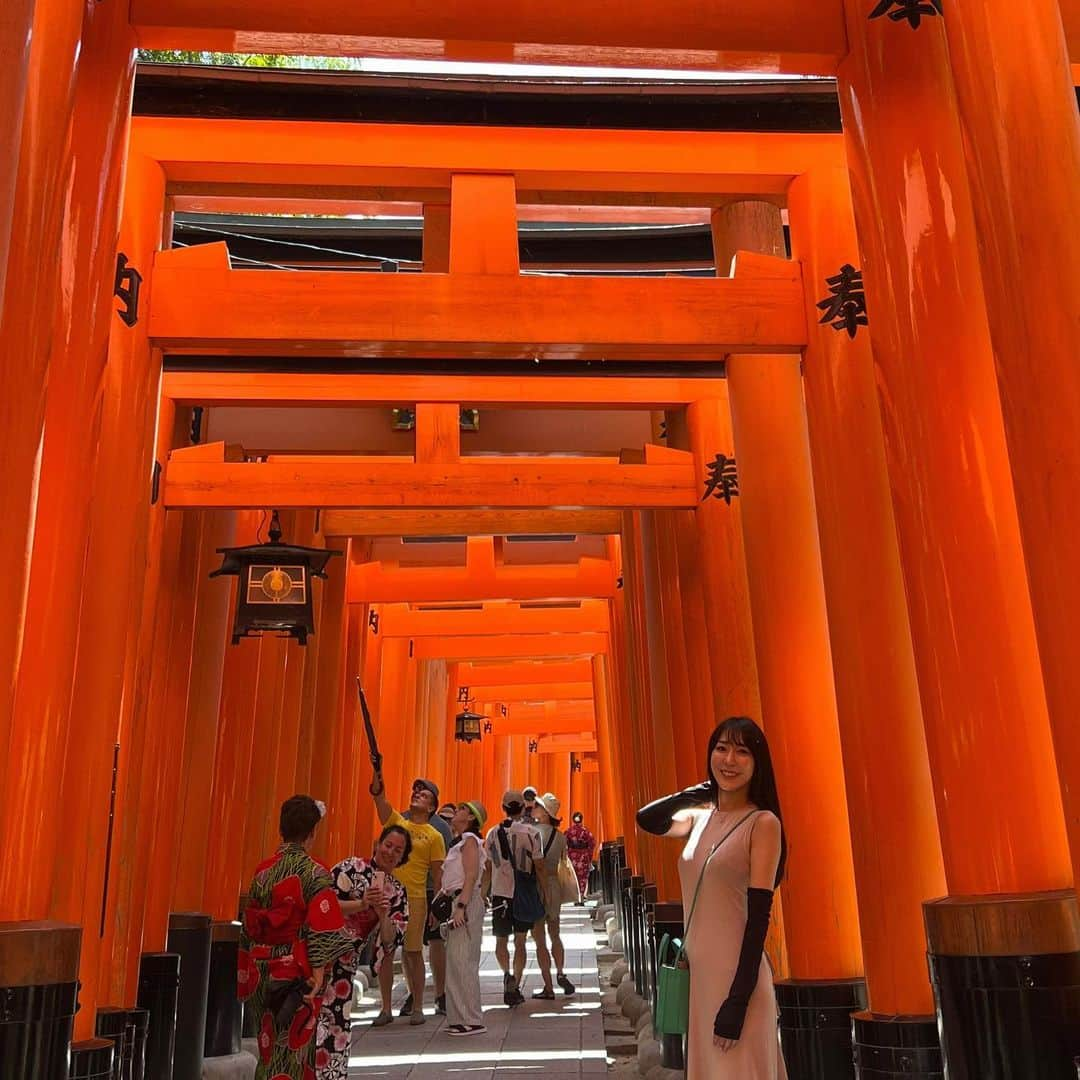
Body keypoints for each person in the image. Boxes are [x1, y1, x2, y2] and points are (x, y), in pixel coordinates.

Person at [636, 717, 787, 1080]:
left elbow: (758, 918)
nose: (729, 760)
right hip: (699, 979)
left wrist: (738, 1000)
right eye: (721, 748)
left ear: (758, 763)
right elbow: (648, 818)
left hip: (738, 980)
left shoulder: (763, 824)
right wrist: (700, 791)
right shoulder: (699, 819)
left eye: (742, 752)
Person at [238, 795, 352, 1080]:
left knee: (268, 1044)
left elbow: (250, 925)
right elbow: (322, 929)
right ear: (313, 832)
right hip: (295, 971)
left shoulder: (262, 872)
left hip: (261, 968)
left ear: (281, 828)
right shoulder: (315, 873)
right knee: (295, 1048)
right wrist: (317, 973)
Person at [316, 825, 411, 1077]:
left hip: (347, 964)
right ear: (378, 844)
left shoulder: (397, 892)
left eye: (398, 850)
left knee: (336, 1026)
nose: (390, 852)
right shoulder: (350, 868)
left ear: (403, 858)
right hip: (318, 954)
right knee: (308, 1021)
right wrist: (362, 903)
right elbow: (323, 905)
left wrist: (383, 916)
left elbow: (391, 942)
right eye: (388, 845)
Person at [370, 774, 447, 1025]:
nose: (417, 795)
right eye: (416, 792)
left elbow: (438, 875)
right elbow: (381, 804)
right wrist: (378, 785)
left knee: (413, 953)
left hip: (415, 899)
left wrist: (437, 906)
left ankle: (417, 1007)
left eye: (424, 795)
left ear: (432, 807)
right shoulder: (397, 823)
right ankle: (386, 1008)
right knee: (386, 951)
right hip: (388, 896)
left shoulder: (434, 836)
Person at [481, 789, 552, 1006]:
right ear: (523, 808)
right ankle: (517, 982)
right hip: (524, 892)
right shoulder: (531, 833)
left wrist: (484, 892)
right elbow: (539, 866)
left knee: (500, 939)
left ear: (503, 808)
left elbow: (488, 865)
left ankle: (506, 972)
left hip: (501, 892)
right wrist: (545, 892)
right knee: (520, 940)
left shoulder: (493, 833)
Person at [433, 800, 489, 1036]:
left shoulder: (470, 842)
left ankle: (471, 1019)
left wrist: (461, 906)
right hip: (456, 900)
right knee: (456, 961)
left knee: (463, 960)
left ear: (471, 818)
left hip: (463, 902)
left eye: (463, 810)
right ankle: (460, 1017)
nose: (457, 812)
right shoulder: (460, 842)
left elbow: (471, 875)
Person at [531, 793, 576, 997]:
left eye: (538, 806)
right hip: (554, 884)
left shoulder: (532, 832)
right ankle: (560, 971)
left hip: (537, 885)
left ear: (546, 813)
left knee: (539, 938)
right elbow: (562, 862)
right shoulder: (560, 837)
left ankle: (548, 986)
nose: (534, 807)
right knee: (555, 933)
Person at [565, 811, 597, 903]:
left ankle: (576, 897)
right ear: (581, 819)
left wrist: (567, 854)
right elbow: (592, 844)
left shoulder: (569, 831)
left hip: (572, 856)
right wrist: (589, 856)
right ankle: (581, 897)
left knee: (574, 877)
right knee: (582, 877)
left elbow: (564, 843)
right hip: (583, 856)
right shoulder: (586, 832)